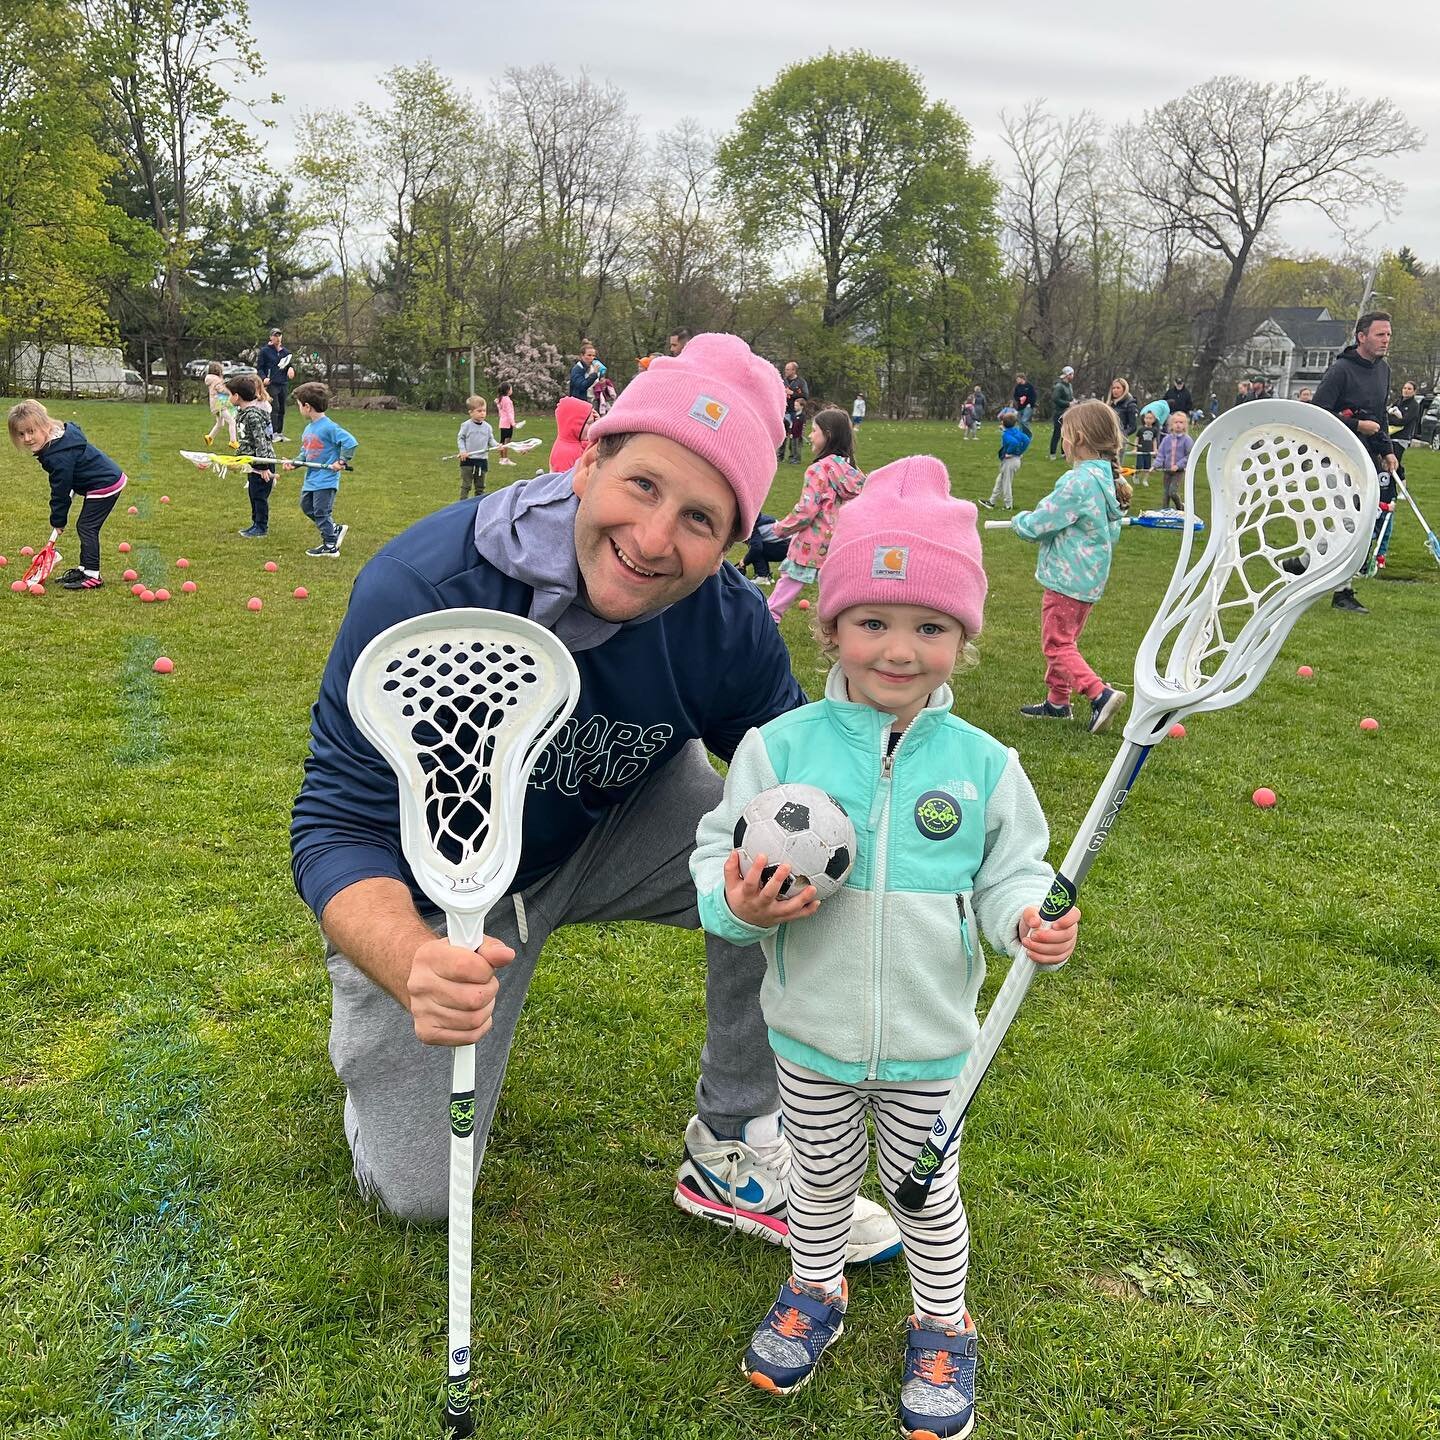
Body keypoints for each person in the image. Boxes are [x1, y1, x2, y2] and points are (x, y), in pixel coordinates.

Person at [289, 332, 903, 1264]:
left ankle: (734, 1142)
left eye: (701, 519)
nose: (655, 540)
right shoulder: (427, 588)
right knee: (416, 1193)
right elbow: (334, 823)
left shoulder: (726, 625)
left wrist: (914, 753)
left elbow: (802, 782)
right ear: (588, 462)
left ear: (732, 543)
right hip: (450, 886)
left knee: (798, 857)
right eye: (643, 486)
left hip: (623, 825)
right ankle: (379, 1028)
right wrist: (410, 956)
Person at [692, 454, 1077, 1437]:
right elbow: (714, 855)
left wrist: (1025, 918)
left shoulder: (986, 766)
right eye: (874, 622)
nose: (899, 650)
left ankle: (944, 1324)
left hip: (929, 1041)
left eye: (929, 627)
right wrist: (737, 906)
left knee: (925, 1192)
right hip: (810, 1037)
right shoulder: (781, 749)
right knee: (817, 1181)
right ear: (832, 628)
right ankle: (814, 1289)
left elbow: (1011, 873)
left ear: (961, 637)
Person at [1013, 398, 1132, 733]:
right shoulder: (1108, 480)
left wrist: (1021, 522)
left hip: (1067, 579)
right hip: (1089, 581)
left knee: (1057, 644)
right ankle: (1057, 702)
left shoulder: (1077, 482)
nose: (1063, 442)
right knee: (1065, 640)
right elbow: (1112, 531)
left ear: (1077, 438)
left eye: (1064, 435)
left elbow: (1043, 522)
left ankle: (1099, 694)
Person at [1311, 311, 1399, 615]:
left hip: (1367, 457)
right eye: (1380, 334)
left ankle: (1308, 560)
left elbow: (1381, 415)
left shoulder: (1383, 371)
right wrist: (1357, 425)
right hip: (1335, 456)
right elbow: (1317, 415)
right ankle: (1342, 592)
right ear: (1361, 337)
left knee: (1354, 522)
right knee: (1350, 523)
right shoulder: (1340, 371)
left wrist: (1387, 450)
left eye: (1388, 334)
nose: (1386, 340)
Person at [8, 400, 128, 591]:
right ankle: (83, 569)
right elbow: (68, 479)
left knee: (87, 526)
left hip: (105, 483)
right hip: (100, 480)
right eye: (21, 434)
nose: (27, 438)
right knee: (85, 525)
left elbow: (60, 491)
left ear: (45, 426)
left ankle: (92, 575)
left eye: (32, 431)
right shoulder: (59, 442)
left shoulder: (58, 455)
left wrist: (58, 520)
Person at [767, 407, 865, 622]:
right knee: (840, 598)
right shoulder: (853, 473)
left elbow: (806, 511)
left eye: (814, 430)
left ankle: (763, 625)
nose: (809, 435)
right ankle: (845, 631)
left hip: (811, 546)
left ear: (827, 435)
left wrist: (780, 528)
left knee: (782, 593)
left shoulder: (818, 470)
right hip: (840, 546)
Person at [285, 381, 355, 558]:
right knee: (307, 506)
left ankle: (330, 545)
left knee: (321, 511)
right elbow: (306, 453)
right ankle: (334, 528)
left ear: (307, 407)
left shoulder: (329, 427)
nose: (299, 408)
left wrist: (341, 461)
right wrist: (295, 463)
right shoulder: (309, 428)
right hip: (312, 478)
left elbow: (350, 442)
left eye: (299, 405)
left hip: (326, 478)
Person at [229, 372, 277, 538]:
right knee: (253, 494)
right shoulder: (242, 413)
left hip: (262, 461)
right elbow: (245, 440)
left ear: (237, 396)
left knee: (259, 496)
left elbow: (261, 441)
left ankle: (261, 527)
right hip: (252, 462)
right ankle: (255, 523)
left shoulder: (253, 415)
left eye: (229, 394)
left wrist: (263, 466)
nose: (228, 397)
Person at [981, 406, 1030, 510]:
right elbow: (1026, 440)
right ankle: (992, 501)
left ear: (1003, 423)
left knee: (1006, 483)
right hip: (1016, 460)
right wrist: (1020, 451)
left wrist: (1010, 452)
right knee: (999, 480)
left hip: (1009, 461)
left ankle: (1008, 505)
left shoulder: (1006, 435)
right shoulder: (1016, 431)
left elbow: (1013, 442)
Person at [257, 327, 295, 441]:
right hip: (271, 383)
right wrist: (263, 378)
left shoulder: (286, 352)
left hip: (283, 382)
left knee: (282, 408)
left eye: (279, 335)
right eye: (275, 335)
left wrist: (291, 369)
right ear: (271, 337)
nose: (277, 338)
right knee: (275, 407)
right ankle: (272, 433)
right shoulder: (265, 351)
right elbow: (259, 368)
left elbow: (289, 365)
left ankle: (279, 432)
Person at [456, 395, 494, 501]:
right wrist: (463, 451)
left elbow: (491, 440)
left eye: (484, 411)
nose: (482, 413)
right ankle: (462, 504)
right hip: (467, 460)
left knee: (480, 487)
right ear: (471, 412)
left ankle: (478, 504)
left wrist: (498, 446)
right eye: (479, 411)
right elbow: (460, 439)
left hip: (481, 461)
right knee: (466, 485)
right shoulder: (466, 426)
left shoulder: (487, 427)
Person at [1155, 410, 1193, 510]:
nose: (1178, 425)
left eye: (1181, 422)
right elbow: (1161, 454)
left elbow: (1189, 456)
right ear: (1171, 425)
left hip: (1178, 472)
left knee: (1173, 492)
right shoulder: (1166, 439)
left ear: (1185, 425)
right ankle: (1164, 512)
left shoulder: (1187, 440)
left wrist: (1178, 465)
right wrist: (1155, 465)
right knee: (1166, 493)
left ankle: (1180, 507)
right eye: (1176, 422)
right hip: (1167, 471)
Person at [549, 395, 594, 474]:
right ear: (574, 424)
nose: (592, 427)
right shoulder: (565, 454)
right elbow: (564, 484)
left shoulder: (575, 442)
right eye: (589, 423)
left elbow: (596, 449)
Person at [740, 512, 788, 585]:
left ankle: (762, 576)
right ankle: (767, 575)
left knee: (755, 551)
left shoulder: (753, 526)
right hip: (788, 546)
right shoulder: (763, 519)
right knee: (757, 549)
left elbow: (756, 548)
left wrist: (745, 561)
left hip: (783, 547)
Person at [203, 362, 239, 449]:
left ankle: (210, 437)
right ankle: (233, 441)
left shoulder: (210, 379)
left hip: (214, 404)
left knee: (220, 423)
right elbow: (221, 390)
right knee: (231, 421)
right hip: (220, 404)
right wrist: (229, 390)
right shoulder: (217, 380)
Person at [780, 361, 809, 464]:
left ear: (794, 370)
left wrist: (792, 393)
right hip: (784, 411)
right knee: (782, 435)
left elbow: (805, 396)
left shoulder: (801, 382)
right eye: (786, 369)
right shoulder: (783, 381)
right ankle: (780, 456)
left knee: (795, 436)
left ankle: (794, 457)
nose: (786, 371)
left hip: (795, 413)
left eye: (788, 369)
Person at [1134, 399, 1170, 480]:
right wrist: (1158, 427)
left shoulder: (1155, 403)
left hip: (1143, 413)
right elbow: (1161, 421)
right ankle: (1156, 459)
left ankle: (1152, 454)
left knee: (1147, 434)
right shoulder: (1166, 408)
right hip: (1152, 416)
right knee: (1154, 436)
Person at [1049, 365, 1074, 460]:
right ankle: (1052, 453)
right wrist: (1068, 403)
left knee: (1066, 433)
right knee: (1057, 433)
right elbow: (1055, 399)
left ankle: (1064, 452)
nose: (1072, 376)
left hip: (1067, 412)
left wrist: (1073, 402)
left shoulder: (1070, 386)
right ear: (1067, 375)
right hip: (1059, 412)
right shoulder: (1059, 386)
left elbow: (1070, 397)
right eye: (1071, 374)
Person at [1389, 379, 1422, 445]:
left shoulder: (1414, 405)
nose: (1406, 390)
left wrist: (1396, 419)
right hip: (1390, 435)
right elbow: (1387, 416)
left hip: (1401, 439)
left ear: (1414, 391)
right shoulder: (1397, 402)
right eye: (1404, 388)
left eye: (1409, 389)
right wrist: (1396, 418)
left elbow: (1403, 421)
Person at [1108, 378, 1138, 442]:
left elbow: (1133, 427)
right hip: (1107, 437)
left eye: (1118, 388)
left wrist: (1121, 435)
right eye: (1113, 388)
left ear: (1124, 390)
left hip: (1120, 440)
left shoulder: (1130, 405)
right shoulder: (1110, 404)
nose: (1115, 390)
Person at [495, 382, 517, 466]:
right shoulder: (507, 400)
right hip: (507, 423)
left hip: (502, 423)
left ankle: (501, 458)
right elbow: (509, 412)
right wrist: (513, 423)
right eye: (511, 388)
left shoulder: (500, 399)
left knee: (502, 441)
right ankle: (505, 459)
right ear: (507, 390)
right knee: (507, 441)